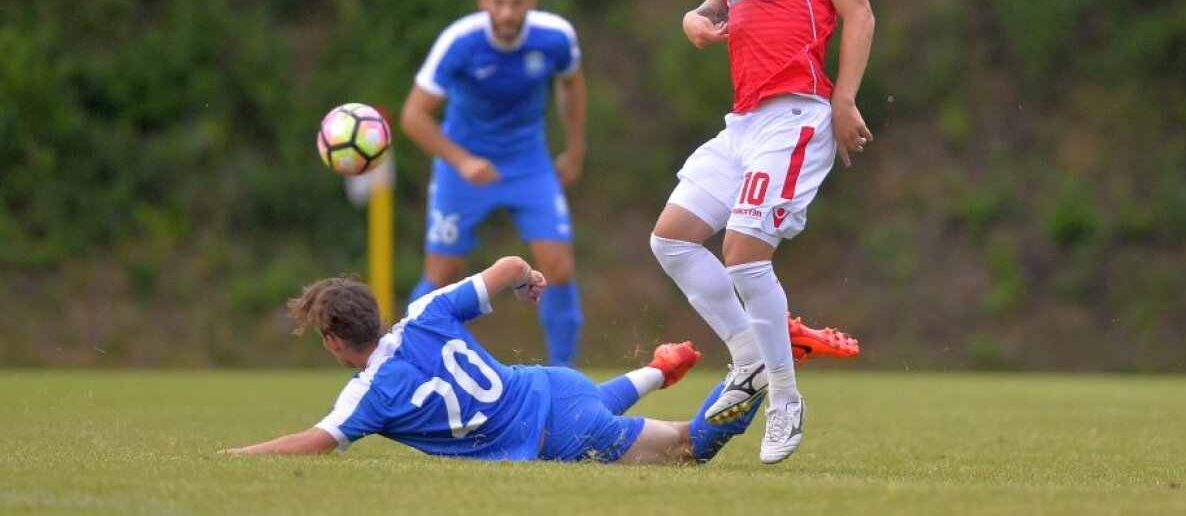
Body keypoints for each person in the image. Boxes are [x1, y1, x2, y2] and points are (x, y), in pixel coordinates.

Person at [649, 0, 875, 465]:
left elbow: (859, 11)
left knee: (745, 255)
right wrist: (695, 18)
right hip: (744, 123)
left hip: (795, 115)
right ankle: (750, 355)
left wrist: (844, 98)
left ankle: (783, 397)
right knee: (671, 239)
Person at [221, 255, 775, 463]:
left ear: (332, 340)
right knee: (592, 403)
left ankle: (762, 364)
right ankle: (658, 368)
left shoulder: (370, 394)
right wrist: (528, 279)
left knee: (689, 448)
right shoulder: (426, 312)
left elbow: (316, 441)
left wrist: (237, 453)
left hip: (560, 433)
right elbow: (509, 266)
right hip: (554, 384)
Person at [400, 0, 587, 367]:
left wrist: (574, 150)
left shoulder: (555, 37)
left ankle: (565, 376)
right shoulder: (460, 42)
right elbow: (413, 115)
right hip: (463, 164)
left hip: (529, 163)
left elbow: (571, 83)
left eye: (516, 4)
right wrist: (462, 161)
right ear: (483, 2)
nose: (507, 13)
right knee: (443, 272)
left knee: (558, 267)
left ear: (531, 3)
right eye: (499, 3)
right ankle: (406, 363)